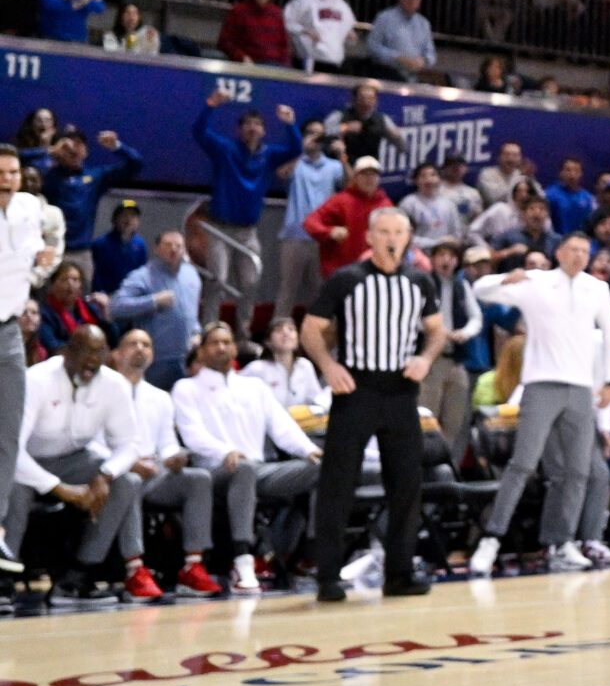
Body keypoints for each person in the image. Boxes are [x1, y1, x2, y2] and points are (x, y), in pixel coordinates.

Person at [301, 206, 445, 601]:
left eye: (399, 231)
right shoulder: (346, 279)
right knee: (337, 484)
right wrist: (328, 365)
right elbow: (310, 328)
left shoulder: (420, 282)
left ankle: (398, 573)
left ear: (408, 237)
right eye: (384, 230)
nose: (392, 238)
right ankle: (328, 576)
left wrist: (426, 358)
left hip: (401, 392)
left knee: (407, 486)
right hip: (355, 390)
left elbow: (437, 331)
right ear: (369, 236)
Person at [467, 232, 610, 577]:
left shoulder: (597, 289)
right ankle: (491, 539)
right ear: (559, 251)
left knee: (578, 471)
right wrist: (505, 278)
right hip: (539, 385)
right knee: (522, 464)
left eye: (585, 250)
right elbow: (481, 290)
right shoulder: (536, 281)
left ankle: (560, 542)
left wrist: (609, 381)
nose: (579, 255)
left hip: (581, 388)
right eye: (573, 249)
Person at [175, 320, 325, 595]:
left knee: (323, 468)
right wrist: (224, 451)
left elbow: (282, 427)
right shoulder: (186, 388)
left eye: (226, 342)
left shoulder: (254, 387)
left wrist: (308, 449)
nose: (221, 347)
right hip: (214, 471)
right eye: (214, 343)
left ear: (235, 348)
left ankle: (311, 553)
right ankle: (242, 561)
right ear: (202, 351)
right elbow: (192, 434)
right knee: (242, 469)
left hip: (259, 470)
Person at [5, 325, 142, 605]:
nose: (92, 361)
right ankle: (4, 579)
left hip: (74, 460)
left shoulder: (115, 385)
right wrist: (60, 489)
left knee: (127, 482)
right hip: (27, 462)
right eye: (85, 353)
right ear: (67, 352)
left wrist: (105, 475)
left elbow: (130, 445)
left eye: (99, 353)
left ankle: (78, 577)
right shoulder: (36, 379)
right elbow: (12, 449)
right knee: (15, 486)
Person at [107, 327, 222, 599]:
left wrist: (174, 456)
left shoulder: (160, 397)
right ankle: (135, 568)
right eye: (132, 343)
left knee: (198, 478)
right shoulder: (104, 390)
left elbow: (167, 442)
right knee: (131, 481)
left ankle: (193, 566)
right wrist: (129, 463)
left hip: (154, 472)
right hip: (115, 473)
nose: (140, 348)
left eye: (146, 344)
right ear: (117, 354)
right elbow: (94, 443)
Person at [192, 89, 299, 327]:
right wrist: (210, 105)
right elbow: (199, 132)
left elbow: (295, 150)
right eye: (248, 124)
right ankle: (210, 330)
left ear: (263, 131)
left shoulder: (269, 155)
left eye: (257, 124)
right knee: (216, 281)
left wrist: (290, 124)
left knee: (250, 283)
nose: (252, 128)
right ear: (238, 130)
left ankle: (243, 336)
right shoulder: (225, 149)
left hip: (248, 232)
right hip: (219, 229)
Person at [0, 149, 53, 576]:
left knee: (7, 431)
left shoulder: (29, 207)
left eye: (13, 172)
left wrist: (41, 264)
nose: (7, 178)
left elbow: (37, 253)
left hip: (9, 330)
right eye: (0, 173)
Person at [110, 230, 204, 389]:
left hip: (186, 358)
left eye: (178, 246)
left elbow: (192, 311)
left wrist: (196, 331)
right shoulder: (142, 276)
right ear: (157, 249)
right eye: (168, 245)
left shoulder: (192, 274)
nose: (173, 249)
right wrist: (153, 301)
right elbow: (116, 307)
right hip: (156, 361)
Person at [418, 238, 483, 452]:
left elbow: (476, 318)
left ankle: (445, 463)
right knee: (428, 416)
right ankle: (424, 467)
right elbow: (412, 318)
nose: (447, 260)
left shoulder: (461, 285)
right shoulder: (423, 283)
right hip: (431, 359)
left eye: (451, 256)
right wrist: (436, 331)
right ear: (433, 259)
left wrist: (464, 333)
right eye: (442, 255)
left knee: (454, 418)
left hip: (456, 358)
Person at [275, 119, 343, 321]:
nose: (316, 139)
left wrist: (343, 154)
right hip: (294, 235)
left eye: (320, 135)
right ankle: (276, 335)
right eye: (311, 133)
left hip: (323, 237)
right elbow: (281, 174)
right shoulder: (297, 163)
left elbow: (349, 184)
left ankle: (315, 339)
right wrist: (301, 151)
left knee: (320, 290)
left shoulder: (334, 165)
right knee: (287, 289)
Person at [41, 125, 142, 253]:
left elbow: (136, 164)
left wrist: (117, 146)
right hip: (51, 249)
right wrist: (50, 151)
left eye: (79, 144)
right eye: (68, 146)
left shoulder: (95, 176)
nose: (73, 150)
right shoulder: (47, 174)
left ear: (86, 152)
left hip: (81, 251)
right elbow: (20, 159)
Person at [303, 157, 392, 276]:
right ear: (355, 177)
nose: (369, 178)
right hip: (341, 272)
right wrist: (329, 232)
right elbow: (310, 222)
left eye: (373, 174)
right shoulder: (340, 200)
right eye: (364, 174)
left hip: (374, 272)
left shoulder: (386, 204)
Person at [284, 0, 357, 70]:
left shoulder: (342, 5)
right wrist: (303, 31)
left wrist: (350, 36)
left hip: (335, 60)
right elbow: (286, 20)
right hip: (311, 59)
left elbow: (349, 29)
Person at [218, 0, 293, 66]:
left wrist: (286, 66)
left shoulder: (277, 14)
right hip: (251, 64)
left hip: (276, 66)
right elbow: (225, 42)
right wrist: (241, 57)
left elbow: (284, 47)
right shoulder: (239, 11)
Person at [369, 0, 437, 79]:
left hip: (412, 78)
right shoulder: (384, 18)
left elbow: (431, 53)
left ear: (420, 1)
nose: (412, 2)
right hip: (386, 74)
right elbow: (373, 46)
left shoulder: (423, 23)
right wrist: (397, 58)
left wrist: (423, 61)